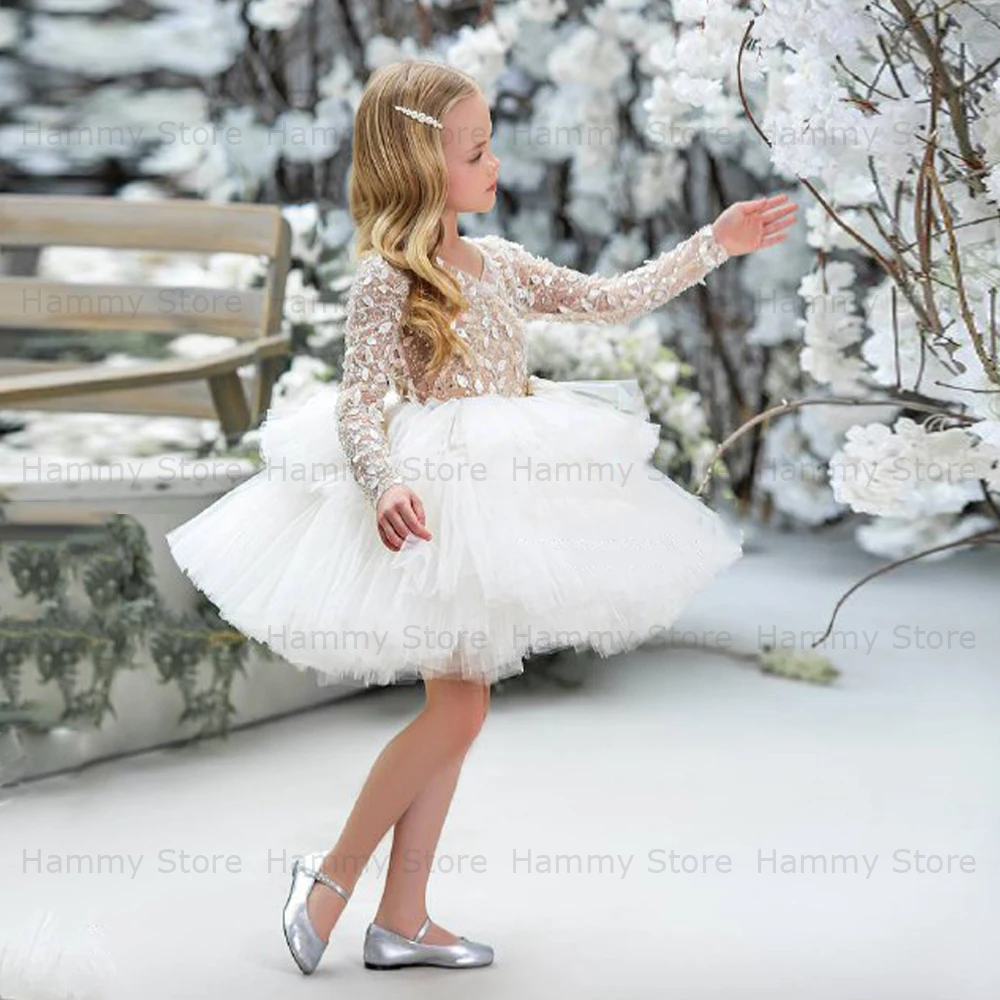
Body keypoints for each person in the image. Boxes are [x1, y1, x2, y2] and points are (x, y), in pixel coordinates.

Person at [165, 59, 797, 975]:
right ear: (424, 164)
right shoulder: (390, 278)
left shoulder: (498, 262)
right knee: (458, 712)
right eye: (476, 148)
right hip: (439, 495)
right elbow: (357, 404)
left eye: (491, 143)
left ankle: (403, 917)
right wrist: (383, 481)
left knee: (460, 707)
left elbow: (611, 300)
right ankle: (333, 875)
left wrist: (716, 242)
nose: (495, 162)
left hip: (497, 489)